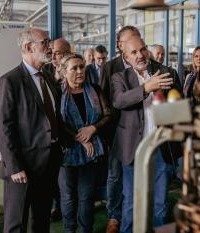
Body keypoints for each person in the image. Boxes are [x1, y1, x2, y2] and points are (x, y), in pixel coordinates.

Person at [0, 28, 63, 233]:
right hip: (22, 168)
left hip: (48, 163)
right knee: (16, 224)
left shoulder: (48, 78)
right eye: (45, 42)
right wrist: (14, 167)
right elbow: (3, 127)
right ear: (27, 47)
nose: (50, 47)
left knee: (42, 220)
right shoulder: (9, 82)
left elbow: (54, 118)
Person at [111, 37, 180, 233]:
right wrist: (146, 87)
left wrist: (172, 101)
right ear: (125, 56)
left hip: (160, 147)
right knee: (132, 201)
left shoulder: (165, 73)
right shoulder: (120, 77)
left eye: (142, 50)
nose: (140, 55)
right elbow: (119, 100)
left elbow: (177, 106)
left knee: (161, 201)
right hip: (134, 149)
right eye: (133, 52)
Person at [58, 54, 111, 233]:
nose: (80, 71)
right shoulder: (58, 92)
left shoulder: (94, 89)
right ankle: (69, 229)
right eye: (74, 68)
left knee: (86, 196)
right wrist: (80, 139)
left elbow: (108, 115)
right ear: (64, 72)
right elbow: (57, 122)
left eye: (82, 67)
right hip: (66, 152)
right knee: (67, 197)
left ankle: (85, 229)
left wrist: (93, 129)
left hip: (91, 151)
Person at [100, 25, 141, 233]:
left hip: (140, 130)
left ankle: (136, 215)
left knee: (137, 177)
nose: (136, 45)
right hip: (116, 130)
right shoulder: (110, 67)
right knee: (115, 176)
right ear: (120, 46)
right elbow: (104, 99)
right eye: (130, 40)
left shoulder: (147, 64)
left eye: (138, 39)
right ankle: (114, 216)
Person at [42, 37, 71, 221]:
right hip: (53, 133)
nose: (53, 56)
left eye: (58, 53)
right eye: (51, 52)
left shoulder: (79, 67)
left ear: (67, 53)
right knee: (54, 176)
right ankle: (56, 206)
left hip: (74, 130)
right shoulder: (45, 71)